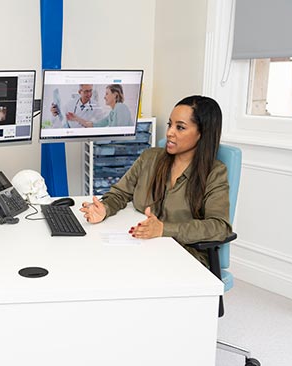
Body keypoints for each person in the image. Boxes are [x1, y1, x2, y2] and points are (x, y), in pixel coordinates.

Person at [79, 95, 231, 267]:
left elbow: (219, 227)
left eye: (180, 127)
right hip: (144, 246)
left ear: (202, 134)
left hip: (185, 256)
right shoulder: (150, 158)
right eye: (170, 124)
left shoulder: (214, 173)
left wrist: (163, 229)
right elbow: (120, 194)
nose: (169, 133)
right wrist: (105, 209)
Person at [68, 84, 133, 128]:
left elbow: (120, 133)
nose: (104, 97)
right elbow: (95, 125)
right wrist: (76, 118)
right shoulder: (111, 114)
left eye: (107, 94)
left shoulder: (121, 107)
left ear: (115, 95)